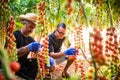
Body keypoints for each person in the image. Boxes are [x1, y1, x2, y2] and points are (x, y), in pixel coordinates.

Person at [13, 13, 54, 80]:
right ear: (24, 24)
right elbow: (10, 55)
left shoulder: (31, 40)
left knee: (36, 62)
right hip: (13, 67)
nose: (32, 30)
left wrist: (46, 59)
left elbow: (39, 54)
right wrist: (28, 48)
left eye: (33, 28)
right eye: (30, 27)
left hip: (23, 67)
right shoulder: (15, 35)